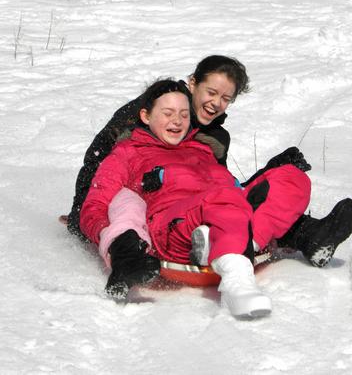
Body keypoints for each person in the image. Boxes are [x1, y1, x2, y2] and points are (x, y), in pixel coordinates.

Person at [66, 56, 352, 294]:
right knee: (137, 202)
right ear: (192, 85)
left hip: (210, 206)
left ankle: (287, 237)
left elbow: (221, 184)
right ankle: (243, 240)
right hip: (157, 210)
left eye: (226, 98)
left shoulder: (209, 141)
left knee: (290, 177)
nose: (216, 103)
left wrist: (270, 174)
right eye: (211, 93)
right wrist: (87, 217)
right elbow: (101, 168)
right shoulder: (136, 130)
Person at [81, 79, 309, 317]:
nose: (177, 121)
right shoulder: (127, 152)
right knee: (222, 198)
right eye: (167, 113)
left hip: (224, 210)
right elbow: (96, 205)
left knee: (292, 177)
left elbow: (235, 188)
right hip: (172, 228)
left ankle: (239, 243)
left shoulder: (202, 149)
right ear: (146, 116)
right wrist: (118, 248)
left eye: (183, 114)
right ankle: (238, 282)